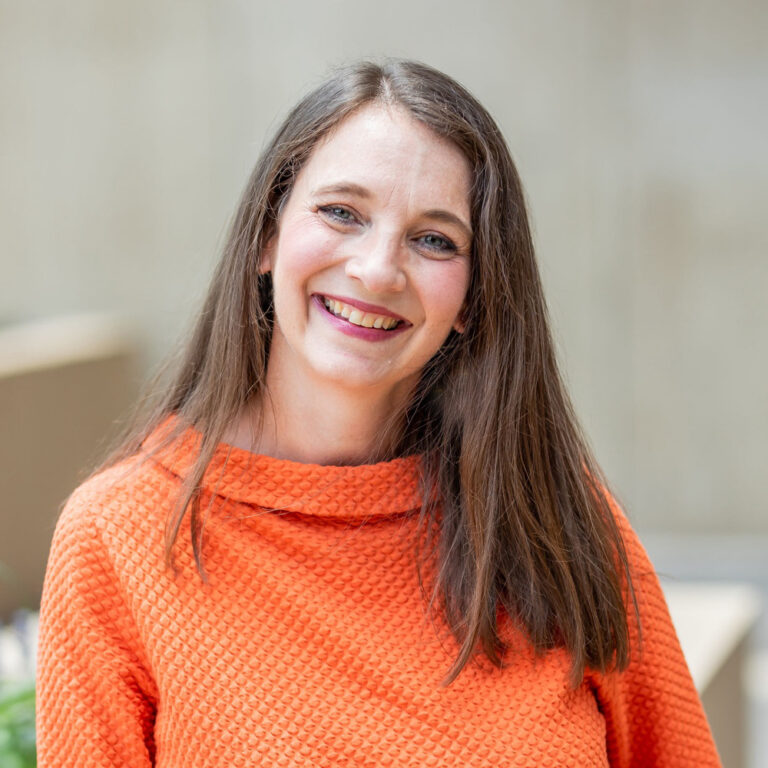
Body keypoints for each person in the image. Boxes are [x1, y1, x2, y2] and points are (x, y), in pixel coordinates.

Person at [36, 59, 721, 767]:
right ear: (267, 238)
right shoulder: (117, 538)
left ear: (474, 299)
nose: (376, 269)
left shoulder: (551, 515)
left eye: (434, 240)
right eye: (342, 213)